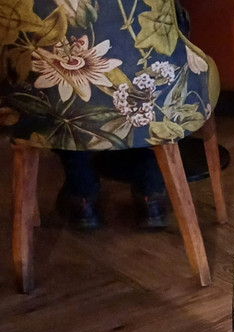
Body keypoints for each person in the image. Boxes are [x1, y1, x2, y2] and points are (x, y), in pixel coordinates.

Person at [1, 1, 214, 231]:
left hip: (41, 89)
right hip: (147, 65)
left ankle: (81, 192)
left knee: (54, 29)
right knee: (147, 32)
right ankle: (151, 190)